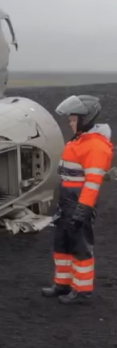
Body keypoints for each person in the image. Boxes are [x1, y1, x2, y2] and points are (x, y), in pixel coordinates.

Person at [42, 94, 113, 304]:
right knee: (62, 244)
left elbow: (92, 183)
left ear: (85, 119)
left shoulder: (95, 146)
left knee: (80, 247)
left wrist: (82, 210)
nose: (70, 123)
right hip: (67, 202)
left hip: (79, 202)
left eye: (73, 120)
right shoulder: (79, 142)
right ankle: (62, 284)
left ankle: (82, 291)